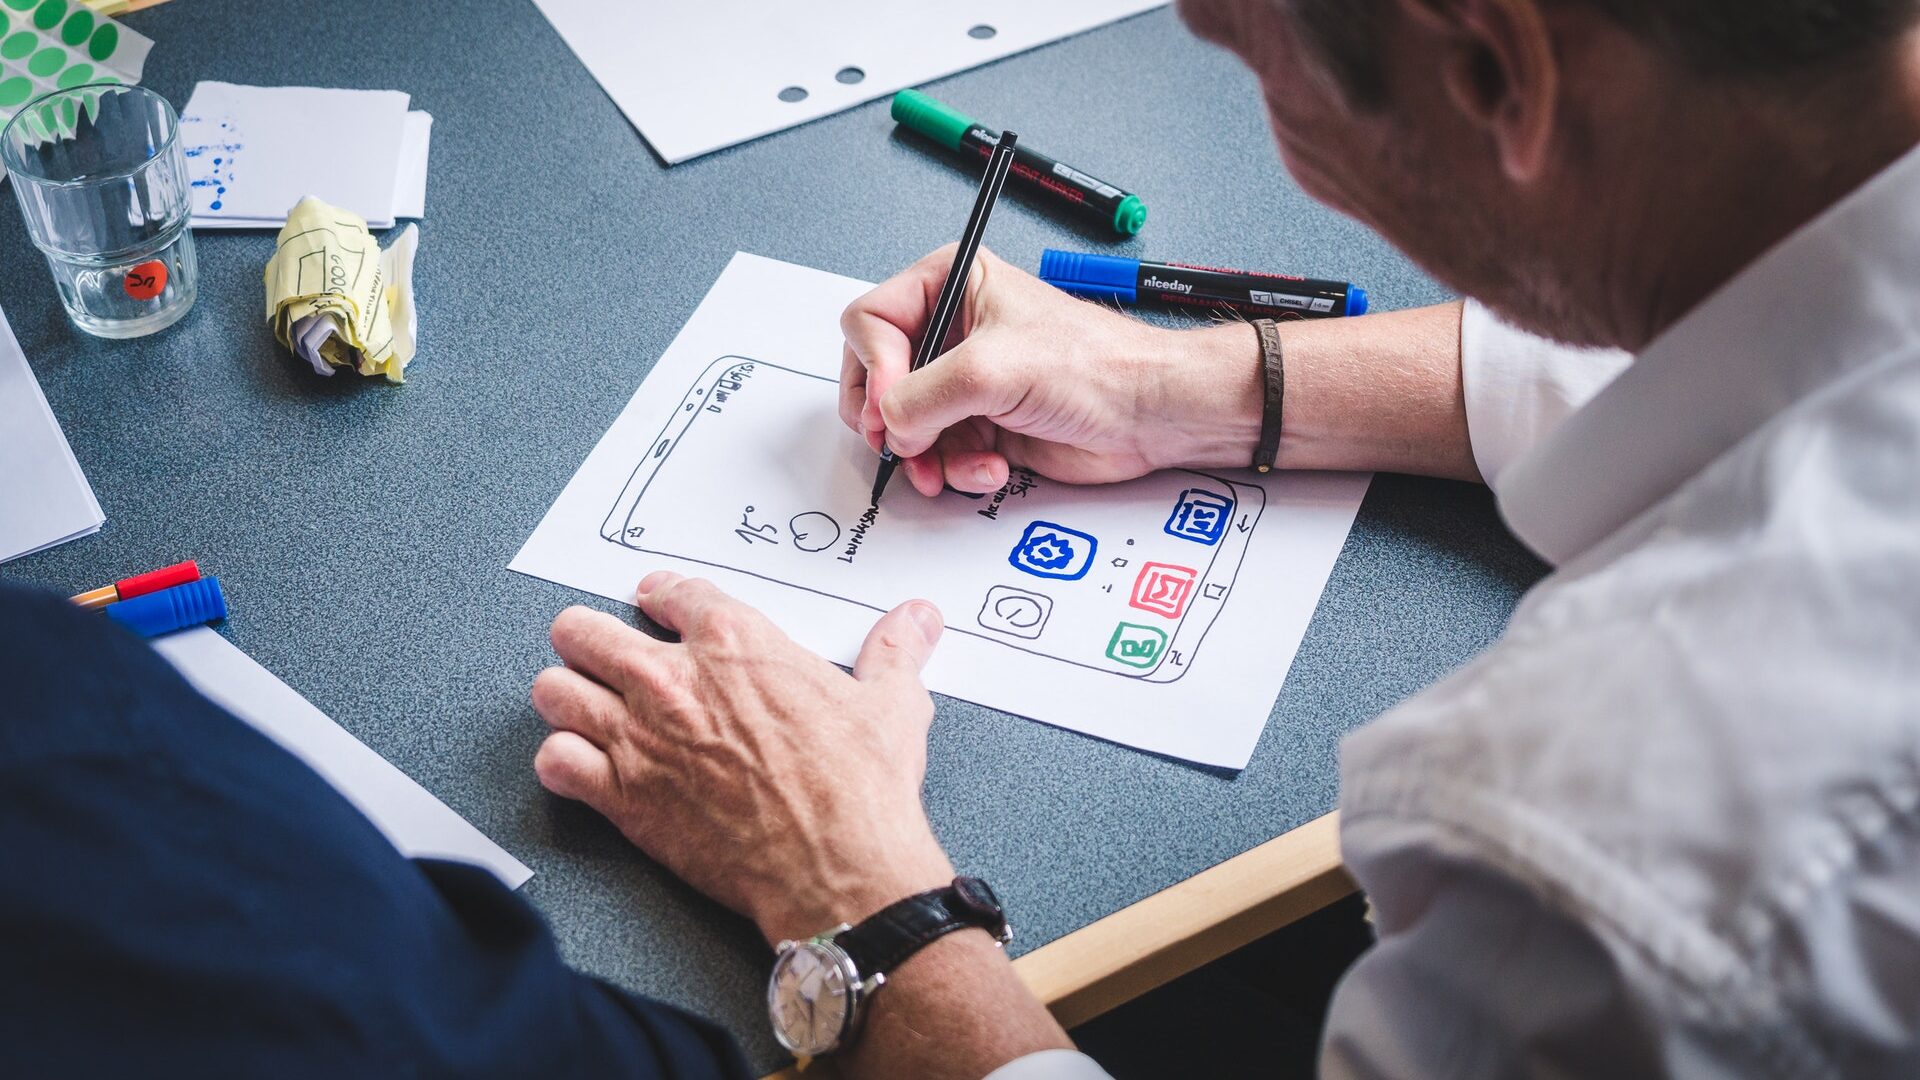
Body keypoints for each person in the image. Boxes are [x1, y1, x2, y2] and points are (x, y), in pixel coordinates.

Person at [527, 0, 1920, 1077]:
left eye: (1247, 51)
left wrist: (860, 901)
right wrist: (1185, 386)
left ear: (1499, 77)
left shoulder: (1613, 871)